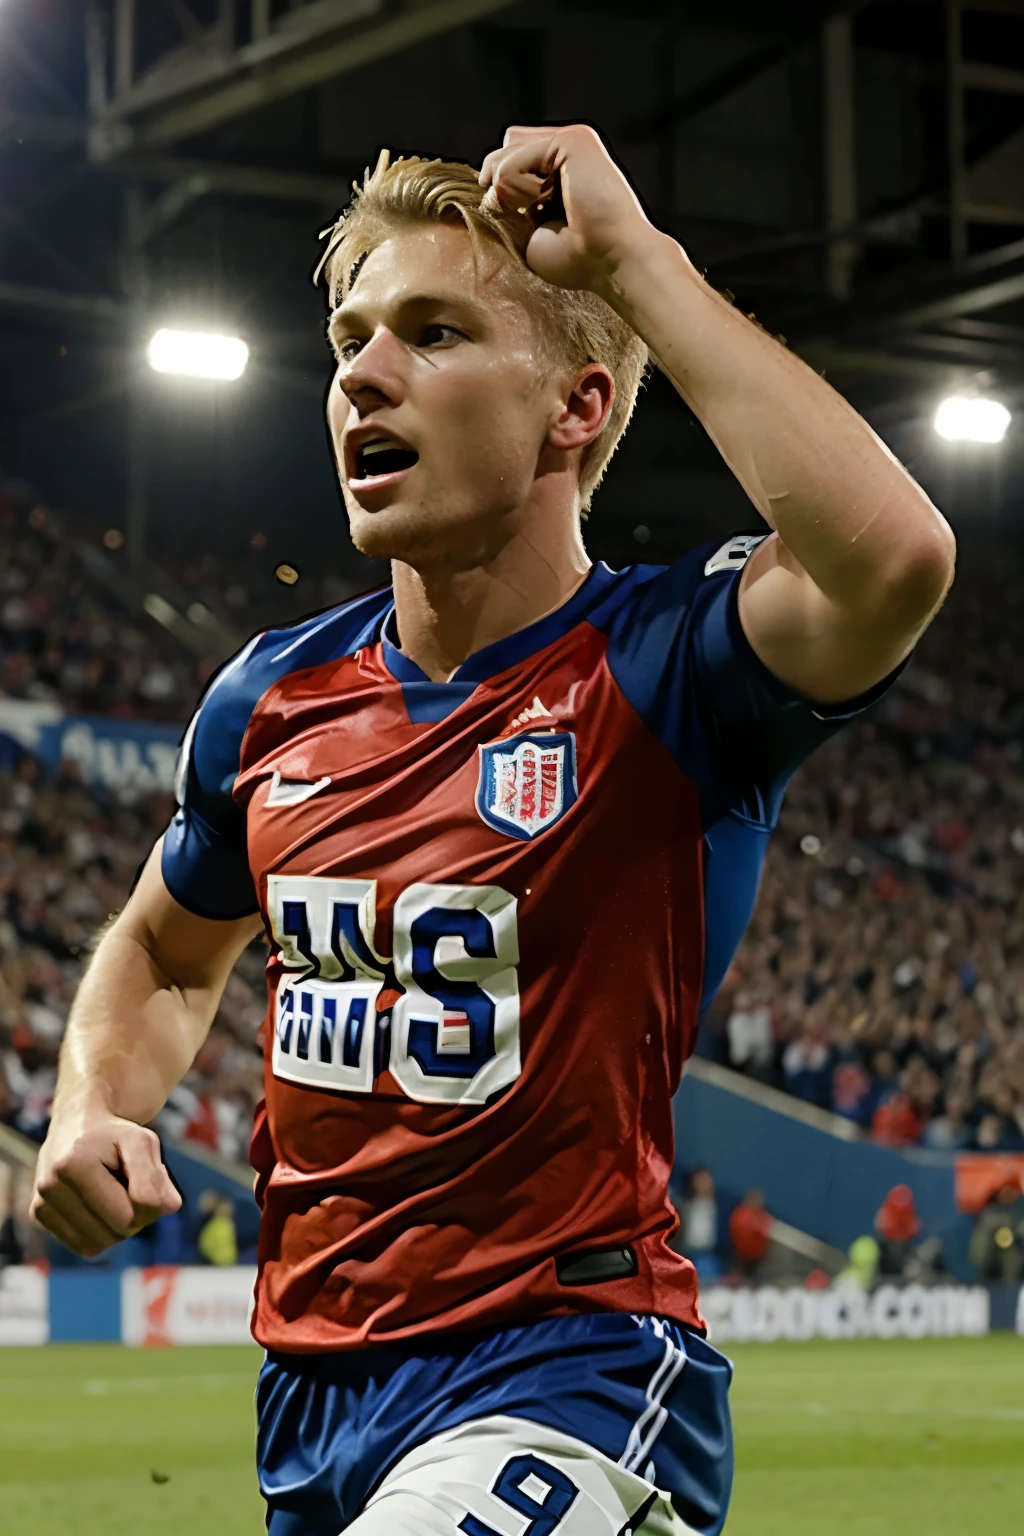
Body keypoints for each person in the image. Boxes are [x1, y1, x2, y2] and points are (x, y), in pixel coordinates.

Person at [30, 124, 955, 1536]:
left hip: (567, 1376)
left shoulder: (666, 670)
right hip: (311, 1392)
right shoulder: (267, 697)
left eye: (434, 330)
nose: (359, 372)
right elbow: (164, 951)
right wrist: (92, 1103)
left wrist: (639, 266)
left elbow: (891, 557)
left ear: (576, 408)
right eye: (349, 336)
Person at [728, 1188, 773, 1280]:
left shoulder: (764, 1216)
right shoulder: (740, 1215)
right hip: (741, 1257)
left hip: (759, 1258)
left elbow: (767, 1234)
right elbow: (737, 1233)